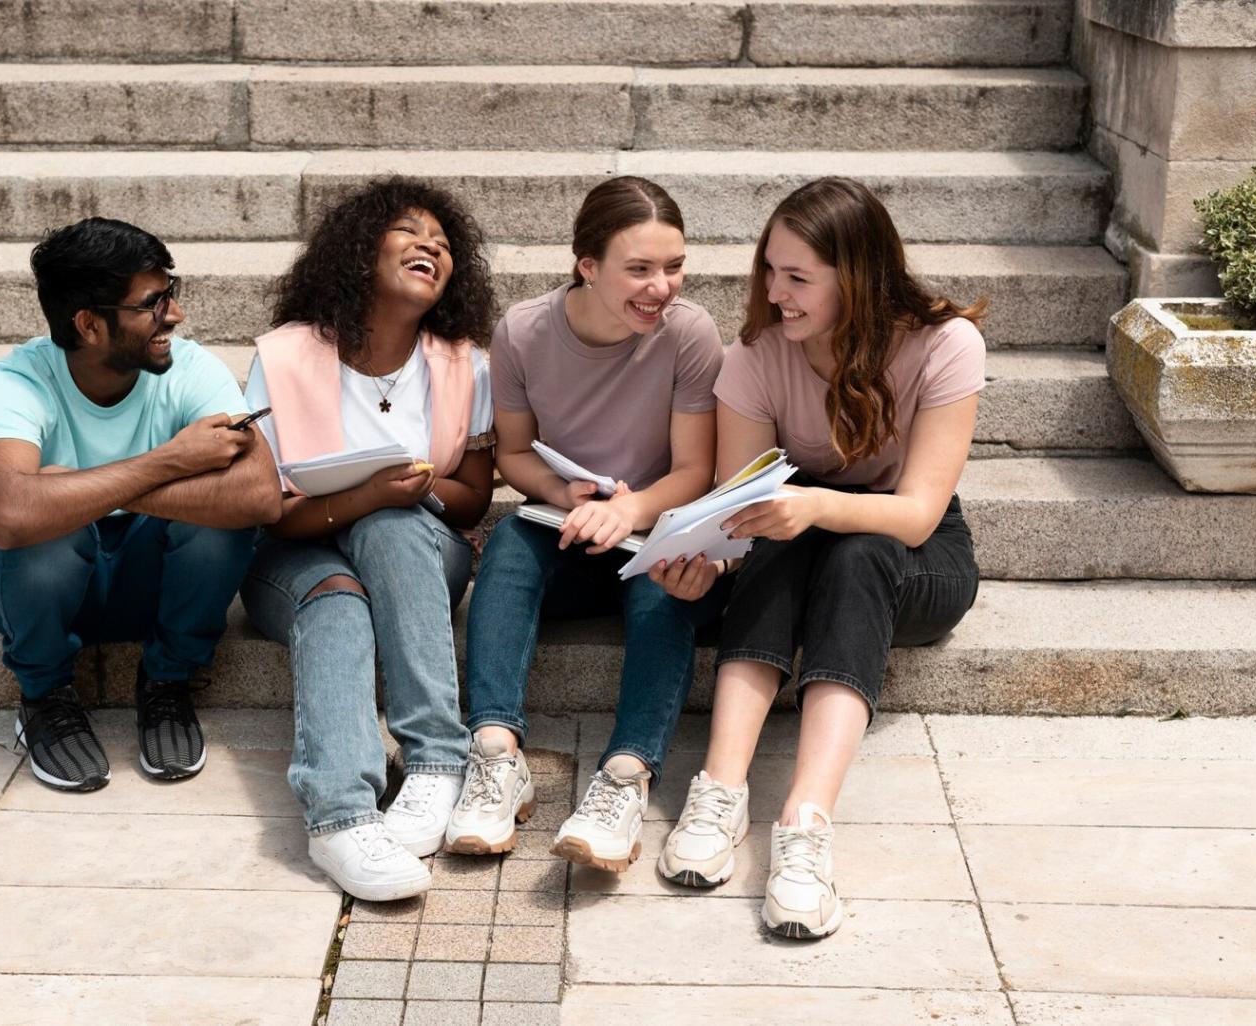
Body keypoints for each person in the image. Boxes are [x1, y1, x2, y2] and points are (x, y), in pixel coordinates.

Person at [652, 177, 986, 938]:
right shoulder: (756, 356)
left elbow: (917, 512)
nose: (775, 294)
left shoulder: (944, 345)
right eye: (770, 270)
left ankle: (803, 826)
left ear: (859, 279)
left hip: (916, 552)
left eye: (798, 278)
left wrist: (813, 507)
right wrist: (708, 563)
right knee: (779, 540)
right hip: (793, 534)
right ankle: (721, 790)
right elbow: (738, 509)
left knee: (857, 549)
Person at [445, 177, 726, 873]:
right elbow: (512, 454)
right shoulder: (524, 331)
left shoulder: (688, 333)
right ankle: (494, 757)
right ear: (587, 265)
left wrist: (628, 510)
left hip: (651, 525)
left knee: (666, 576)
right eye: (638, 269)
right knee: (510, 540)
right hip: (565, 529)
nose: (660, 287)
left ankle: (625, 777)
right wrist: (559, 493)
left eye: (673, 267)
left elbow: (695, 469)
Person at [239, 178, 497, 902]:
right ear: (357, 251)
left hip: (414, 550)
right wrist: (360, 495)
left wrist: (415, 492)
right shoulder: (284, 356)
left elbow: (475, 496)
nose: (430, 247)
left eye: (443, 245)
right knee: (336, 601)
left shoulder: (462, 362)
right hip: (295, 557)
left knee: (387, 528)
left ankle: (436, 761)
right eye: (409, 233)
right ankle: (341, 819)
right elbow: (268, 510)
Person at [0, 217, 280, 792]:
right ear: (89, 324)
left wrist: (71, 488)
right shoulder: (19, 379)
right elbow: (9, 515)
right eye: (153, 303)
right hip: (39, 591)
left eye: (171, 295)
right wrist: (171, 461)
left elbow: (260, 495)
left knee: (219, 522)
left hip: (149, 581)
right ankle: (43, 698)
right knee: (42, 529)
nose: (175, 316)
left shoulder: (192, 368)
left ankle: (167, 684)